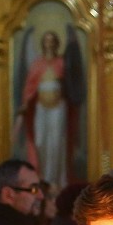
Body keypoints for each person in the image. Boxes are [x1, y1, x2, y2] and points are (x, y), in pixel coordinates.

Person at [15, 27, 85, 191]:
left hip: (58, 108)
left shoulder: (61, 63)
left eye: (52, 40)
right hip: (41, 108)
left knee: (56, 143)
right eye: (46, 41)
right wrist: (25, 103)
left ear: (56, 43)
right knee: (40, 141)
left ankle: (57, 181)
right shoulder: (37, 64)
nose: (49, 44)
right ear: (43, 44)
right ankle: (42, 178)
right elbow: (29, 87)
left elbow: (71, 82)